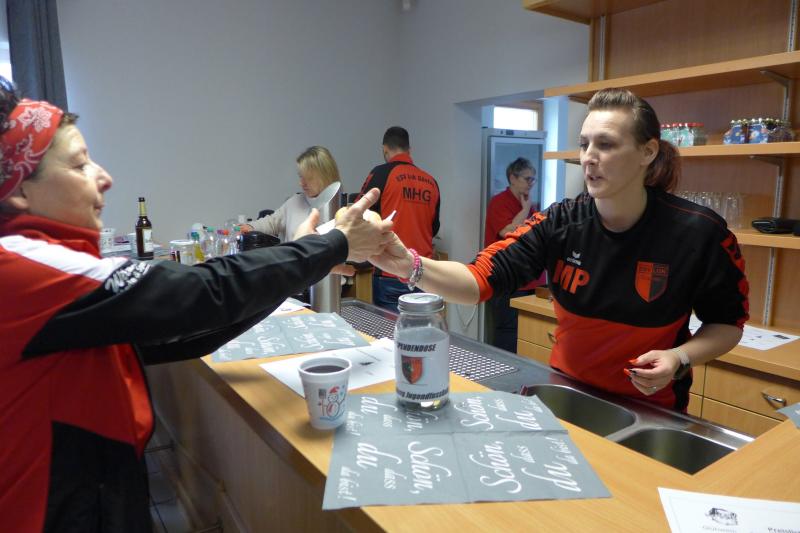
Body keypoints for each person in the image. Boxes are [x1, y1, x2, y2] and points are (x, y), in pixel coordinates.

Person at [0, 78, 393, 532]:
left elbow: (188, 330)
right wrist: (332, 246)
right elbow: (202, 293)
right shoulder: (27, 267)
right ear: (19, 190)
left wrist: (306, 262)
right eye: (80, 164)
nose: (104, 177)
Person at [369, 88, 748, 413]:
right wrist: (408, 264)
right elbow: (477, 281)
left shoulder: (699, 233)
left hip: (651, 409)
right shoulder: (560, 222)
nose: (589, 157)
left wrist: (679, 357)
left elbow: (727, 325)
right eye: (584, 144)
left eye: (606, 144)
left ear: (647, 152)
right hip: (567, 395)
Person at [357, 126, 440, 312]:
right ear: (409, 150)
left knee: (391, 329)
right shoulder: (431, 181)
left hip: (390, 272)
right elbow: (434, 227)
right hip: (423, 273)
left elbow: (358, 215)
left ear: (385, 149)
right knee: (421, 328)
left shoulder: (381, 173)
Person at [484, 157, 544, 352]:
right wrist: (525, 210)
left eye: (533, 179)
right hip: (507, 279)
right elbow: (508, 232)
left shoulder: (529, 204)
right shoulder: (499, 202)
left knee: (527, 333)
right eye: (527, 179)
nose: (531, 184)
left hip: (528, 280)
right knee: (507, 331)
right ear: (512, 178)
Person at [244, 145, 340, 243]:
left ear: (325, 176)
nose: (301, 183)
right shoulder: (294, 202)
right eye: (301, 176)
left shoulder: (341, 211)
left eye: (308, 178)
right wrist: (249, 227)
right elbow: (271, 222)